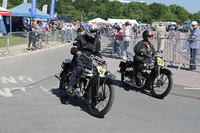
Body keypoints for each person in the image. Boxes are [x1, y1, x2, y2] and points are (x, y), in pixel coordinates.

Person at [65, 23, 102, 94]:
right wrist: (76, 51)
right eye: (93, 31)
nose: (95, 33)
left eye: (96, 31)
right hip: (79, 58)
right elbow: (74, 48)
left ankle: (90, 90)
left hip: (89, 59)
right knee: (78, 68)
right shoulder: (80, 37)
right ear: (88, 30)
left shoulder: (97, 40)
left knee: (95, 72)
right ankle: (70, 85)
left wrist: (101, 60)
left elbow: (98, 52)